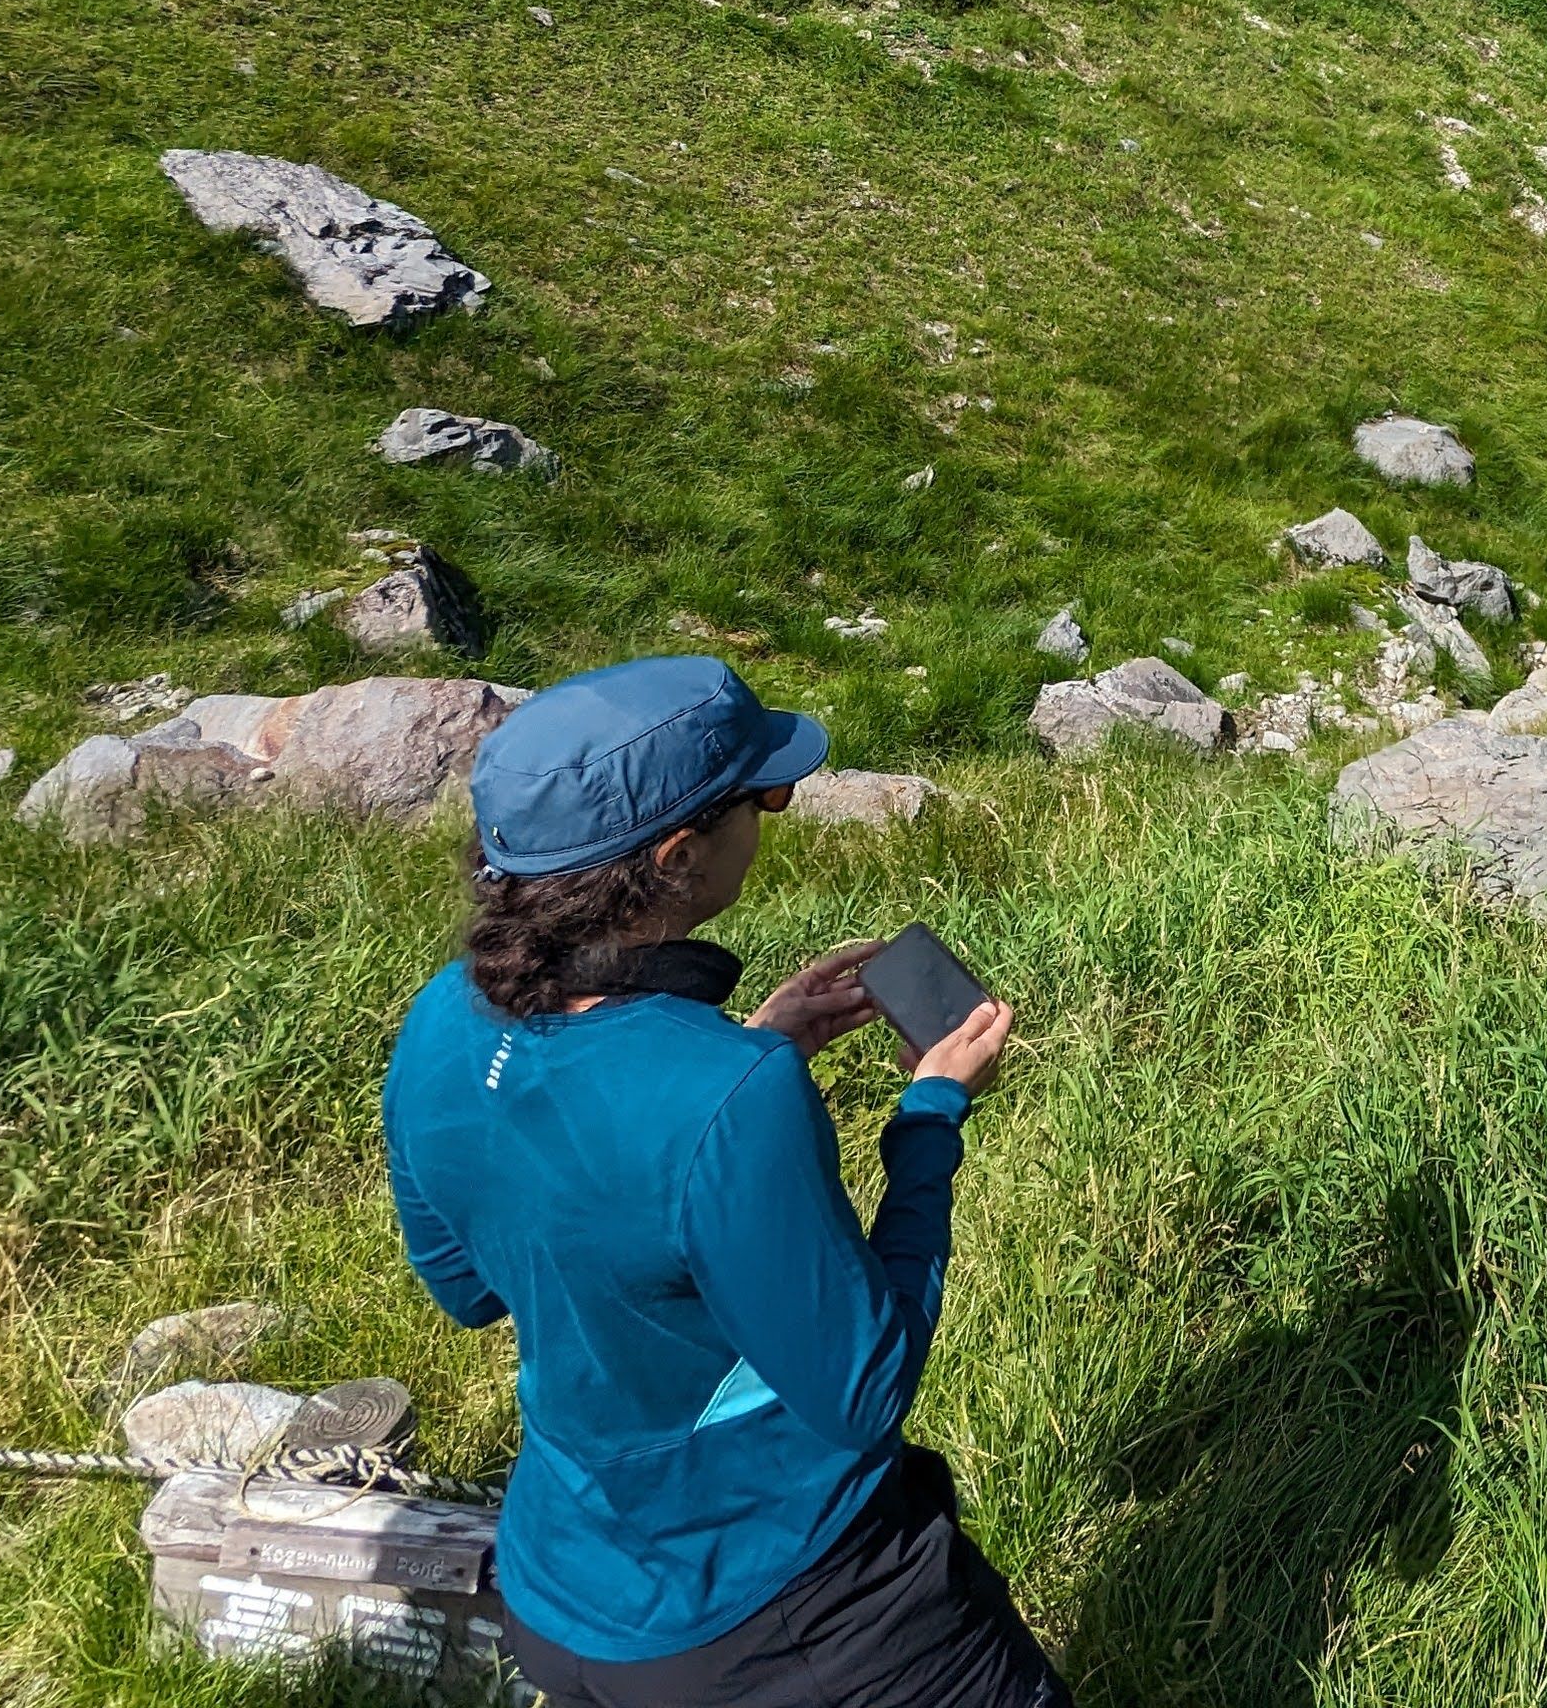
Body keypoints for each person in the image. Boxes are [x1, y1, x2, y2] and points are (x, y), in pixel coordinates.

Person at [381, 655, 1051, 1708]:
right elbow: (866, 1388)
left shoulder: (440, 1018)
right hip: (794, 1616)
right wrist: (930, 1117)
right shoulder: (733, 1095)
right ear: (679, 856)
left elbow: (471, 1286)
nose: (775, 813)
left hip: (565, 1595)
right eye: (765, 794)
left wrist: (753, 1038)